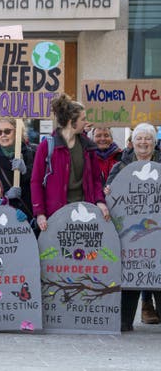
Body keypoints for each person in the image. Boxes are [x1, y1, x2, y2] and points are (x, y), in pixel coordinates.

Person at [105, 122, 161, 331]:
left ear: (154, 143)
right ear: (132, 142)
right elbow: (108, 193)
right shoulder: (120, 167)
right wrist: (108, 191)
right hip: (130, 236)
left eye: (148, 138)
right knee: (129, 274)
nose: (143, 142)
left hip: (158, 234)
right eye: (139, 138)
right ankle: (124, 320)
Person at [30, 94, 109, 232]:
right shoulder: (47, 146)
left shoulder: (87, 146)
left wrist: (100, 201)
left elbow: (96, 179)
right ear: (71, 121)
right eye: (83, 119)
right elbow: (36, 182)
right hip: (57, 215)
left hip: (85, 212)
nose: (86, 122)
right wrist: (40, 213)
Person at [0, 118, 35, 224]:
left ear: (18, 132)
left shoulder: (32, 152)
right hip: (2, 217)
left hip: (28, 214)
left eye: (7, 131)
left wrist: (26, 171)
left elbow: (40, 182)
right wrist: (4, 197)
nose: (3, 135)